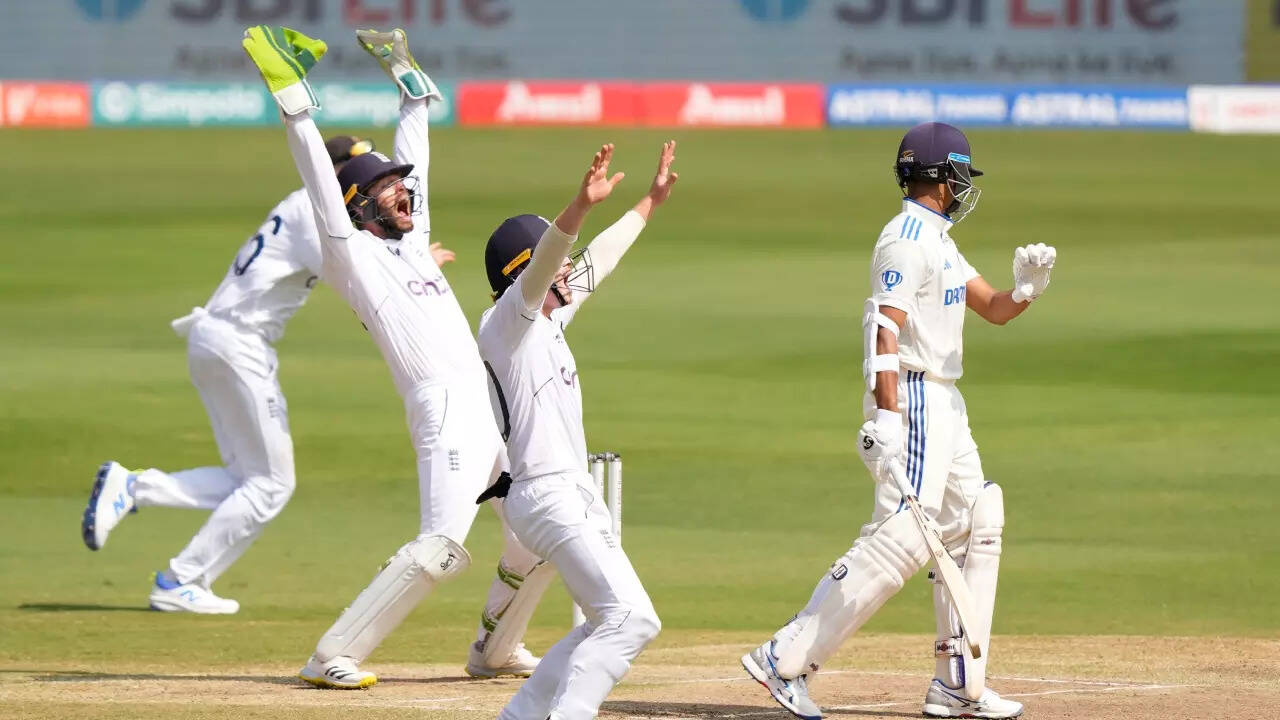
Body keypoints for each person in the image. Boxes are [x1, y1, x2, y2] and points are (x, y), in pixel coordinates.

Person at [240, 25, 549, 688]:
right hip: (443, 413)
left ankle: (495, 649)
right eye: (387, 187)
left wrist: (411, 91)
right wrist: (292, 97)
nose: (404, 191)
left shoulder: (412, 241)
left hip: (488, 410)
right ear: (358, 205)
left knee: (542, 533)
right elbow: (318, 178)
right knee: (441, 547)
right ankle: (331, 655)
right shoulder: (350, 254)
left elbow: (417, 161)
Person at [741, 122, 1056, 720]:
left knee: (974, 520)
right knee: (903, 535)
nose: (965, 187)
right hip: (911, 397)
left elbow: (992, 308)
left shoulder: (939, 240)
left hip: (946, 402)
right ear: (940, 177)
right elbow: (883, 327)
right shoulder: (907, 240)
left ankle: (958, 682)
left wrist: (1025, 291)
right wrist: (887, 415)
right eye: (960, 175)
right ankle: (785, 658)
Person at [78, 133, 414, 614]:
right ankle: (180, 580)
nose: (374, 182)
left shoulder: (314, 210)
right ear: (333, 172)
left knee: (248, 478)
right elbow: (355, 277)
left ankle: (134, 488)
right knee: (271, 485)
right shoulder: (313, 211)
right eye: (362, 172)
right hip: (237, 343)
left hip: (219, 338)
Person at [477, 140, 678, 720]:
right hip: (547, 493)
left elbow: (599, 259)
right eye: (555, 260)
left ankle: (521, 715)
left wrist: (649, 202)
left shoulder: (548, 316)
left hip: (568, 492)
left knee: (605, 621)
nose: (569, 268)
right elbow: (551, 260)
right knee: (631, 619)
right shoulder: (506, 324)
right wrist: (580, 205)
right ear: (524, 271)